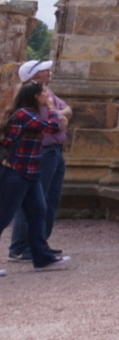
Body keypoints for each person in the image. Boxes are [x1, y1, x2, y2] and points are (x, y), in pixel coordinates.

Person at [0, 80, 71, 273]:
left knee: (39, 212)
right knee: (3, 217)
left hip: (30, 173)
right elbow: (54, 126)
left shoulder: (30, 113)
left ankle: (41, 258)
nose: (47, 96)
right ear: (34, 97)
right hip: (15, 172)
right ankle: (29, 253)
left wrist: (55, 115)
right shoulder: (25, 114)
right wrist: (52, 109)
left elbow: (58, 124)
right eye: (44, 94)